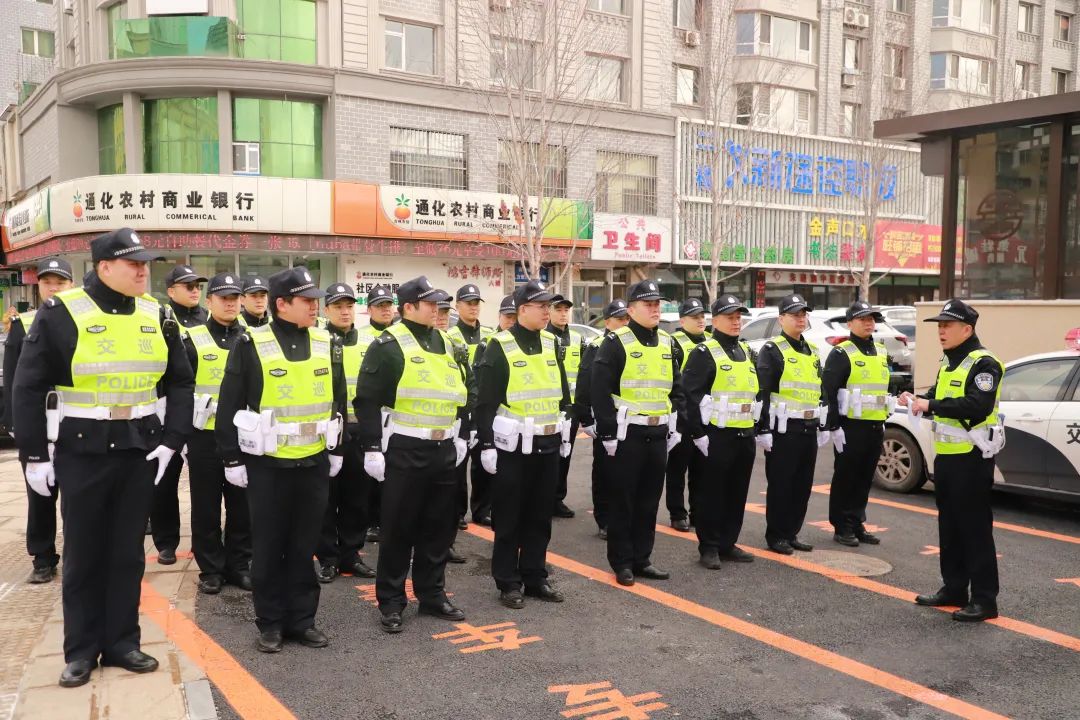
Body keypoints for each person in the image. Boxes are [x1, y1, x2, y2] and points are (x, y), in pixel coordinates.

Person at [13, 227, 194, 688]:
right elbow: (27, 386)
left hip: (140, 450)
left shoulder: (157, 314)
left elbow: (180, 380)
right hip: (82, 450)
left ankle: (122, 642)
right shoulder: (61, 312)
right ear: (105, 266)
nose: (142, 271)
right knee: (84, 553)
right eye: (133, 264)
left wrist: (173, 439)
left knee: (128, 554)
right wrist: (34, 455)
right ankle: (80, 650)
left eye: (145, 264)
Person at [215, 267, 347, 653]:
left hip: (313, 462)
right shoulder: (250, 343)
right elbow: (230, 403)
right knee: (270, 547)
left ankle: (302, 620)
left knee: (305, 543)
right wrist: (230, 458)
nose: (314, 306)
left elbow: (337, 401)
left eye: (314, 300)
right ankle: (270, 623)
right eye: (306, 300)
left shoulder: (326, 342)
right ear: (282, 304)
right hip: (268, 465)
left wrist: (337, 449)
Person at [354, 276, 473, 634]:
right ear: (408, 307)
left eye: (439, 304)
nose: (437, 309)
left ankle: (432, 594)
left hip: (443, 449)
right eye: (429, 303)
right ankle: (391, 601)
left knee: (438, 528)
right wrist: (373, 447)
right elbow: (367, 399)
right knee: (399, 529)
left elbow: (464, 393)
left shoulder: (449, 343)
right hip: (405, 448)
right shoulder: (389, 344)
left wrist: (463, 435)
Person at [902, 300, 1003, 622]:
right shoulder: (949, 363)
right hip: (946, 458)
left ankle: (985, 600)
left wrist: (929, 404)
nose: (941, 331)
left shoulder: (984, 363)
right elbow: (937, 396)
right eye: (939, 325)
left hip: (971, 460)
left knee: (974, 529)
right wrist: (916, 402)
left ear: (967, 329)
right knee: (950, 527)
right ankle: (954, 588)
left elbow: (977, 405)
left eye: (947, 325)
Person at [476, 280, 571, 609]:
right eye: (541, 306)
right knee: (509, 517)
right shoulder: (499, 345)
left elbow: (562, 391)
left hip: (546, 444)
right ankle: (508, 581)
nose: (547, 311)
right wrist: (486, 444)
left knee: (540, 515)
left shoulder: (551, 342)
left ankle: (535, 575)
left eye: (549, 306)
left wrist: (567, 426)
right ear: (521, 310)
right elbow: (486, 401)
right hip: (512, 447)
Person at [591, 280, 683, 586]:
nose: (655, 309)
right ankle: (622, 562)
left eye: (658, 303)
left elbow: (677, 389)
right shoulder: (616, 342)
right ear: (631, 310)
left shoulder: (669, 343)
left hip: (658, 435)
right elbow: (600, 390)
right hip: (626, 434)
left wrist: (676, 426)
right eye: (648, 304)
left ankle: (642, 558)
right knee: (624, 501)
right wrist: (606, 434)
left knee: (648, 501)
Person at [3, 257, 74, 584]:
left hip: (74, 422)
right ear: (38, 286)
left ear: (71, 285)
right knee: (39, 492)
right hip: (37, 422)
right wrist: (15, 423)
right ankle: (43, 556)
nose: (54, 288)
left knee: (76, 494)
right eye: (48, 282)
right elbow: (15, 380)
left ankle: (76, 551)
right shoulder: (24, 323)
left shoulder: (81, 321)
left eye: (60, 282)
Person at [183, 273, 252, 595]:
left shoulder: (254, 338)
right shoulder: (193, 339)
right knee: (206, 505)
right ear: (208, 302)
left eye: (235, 297)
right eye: (222, 297)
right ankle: (210, 568)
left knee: (242, 504)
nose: (229, 303)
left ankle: (239, 564)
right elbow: (180, 389)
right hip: (204, 436)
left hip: (243, 436)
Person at [681, 295, 759, 569]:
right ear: (715, 321)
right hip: (716, 435)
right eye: (730, 317)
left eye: (739, 317)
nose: (736, 321)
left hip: (744, 433)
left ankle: (728, 542)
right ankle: (710, 546)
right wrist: (698, 434)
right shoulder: (704, 353)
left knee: (736, 492)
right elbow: (689, 396)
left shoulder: (746, 352)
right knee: (710, 493)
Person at [316, 283, 378, 583]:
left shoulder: (369, 342)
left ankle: (351, 555)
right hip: (328, 432)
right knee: (326, 500)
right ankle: (327, 558)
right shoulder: (317, 340)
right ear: (326, 309)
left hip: (359, 431)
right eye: (338, 305)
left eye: (349, 305)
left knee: (357, 498)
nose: (344, 311)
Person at [756, 294, 827, 555]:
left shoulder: (813, 351)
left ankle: (792, 532)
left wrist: (824, 423)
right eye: (794, 314)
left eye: (803, 313)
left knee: (802, 484)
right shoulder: (772, 350)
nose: (800, 318)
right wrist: (762, 428)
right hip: (783, 430)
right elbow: (762, 391)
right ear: (781, 318)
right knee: (782, 483)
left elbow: (820, 389)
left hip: (808, 428)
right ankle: (776, 535)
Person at [151, 264, 208, 564]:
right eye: (188, 286)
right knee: (164, 480)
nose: (195, 289)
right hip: (169, 411)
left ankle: (205, 541)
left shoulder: (210, 319)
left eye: (197, 285)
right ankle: (166, 541)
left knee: (204, 484)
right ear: (171, 291)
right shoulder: (162, 319)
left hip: (204, 413)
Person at [822, 300, 891, 548]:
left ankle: (857, 521)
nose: (868, 322)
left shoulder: (881, 351)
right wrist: (833, 426)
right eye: (862, 319)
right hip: (850, 427)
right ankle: (842, 526)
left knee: (864, 478)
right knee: (846, 477)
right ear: (850, 323)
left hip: (874, 424)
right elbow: (828, 391)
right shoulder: (842, 352)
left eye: (871, 318)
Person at [573, 299, 628, 540]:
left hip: (629, 421)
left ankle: (622, 516)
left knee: (624, 473)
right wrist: (586, 418)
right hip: (604, 419)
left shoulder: (630, 344)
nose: (625, 323)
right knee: (605, 471)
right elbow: (585, 382)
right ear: (607, 322)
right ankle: (604, 518)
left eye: (627, 318)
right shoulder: (597, 346)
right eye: (619, 319)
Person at [447, 284, 495, 527]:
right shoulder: (450, 336)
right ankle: (457, 512)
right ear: (458, 306)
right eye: (468, 302)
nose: (473, 307)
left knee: (484, 461)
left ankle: (482, 508)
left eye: (476, 302)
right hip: (463, 407)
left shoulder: (490, 334)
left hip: (485, 406)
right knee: (458, 463)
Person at [665, 298, 707, 532]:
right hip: (682, 416)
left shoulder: (712, 342)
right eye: (694, 317)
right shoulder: (675, 343)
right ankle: (677, 512)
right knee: (678, 468)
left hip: (706, 418)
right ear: (682, 320)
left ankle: (698, 512)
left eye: (702, 316)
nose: (700, 320)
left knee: (701, 470)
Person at [361, 285, 396, 545]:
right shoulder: (363, 337)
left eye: (388, 305)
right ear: (369, 309)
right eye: (380, 305)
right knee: (370, 476)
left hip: (397, 418)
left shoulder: (402, 336)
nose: (385, 310)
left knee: (393, 476)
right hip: (371, 414)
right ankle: (371, 521)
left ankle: (389, 520)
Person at [546, 294, 582, 519]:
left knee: (565, 455)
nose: (563, 313)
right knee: (548, 457)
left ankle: (557, 498)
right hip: (550, 408)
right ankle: (544, 499)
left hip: (572, 408)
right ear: (549, 312)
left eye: (566, 309)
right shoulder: (543, 337)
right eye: (558, 309)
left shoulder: (578, 338)